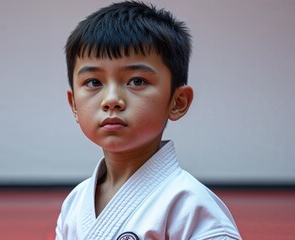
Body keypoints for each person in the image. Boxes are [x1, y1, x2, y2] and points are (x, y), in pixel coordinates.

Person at [55, 1, 241, 239]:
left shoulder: (188, 204)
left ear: (178, 101)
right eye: (94, 82)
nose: (112, 100)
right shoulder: (75, 203)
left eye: (137, 81)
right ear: (74, 105)